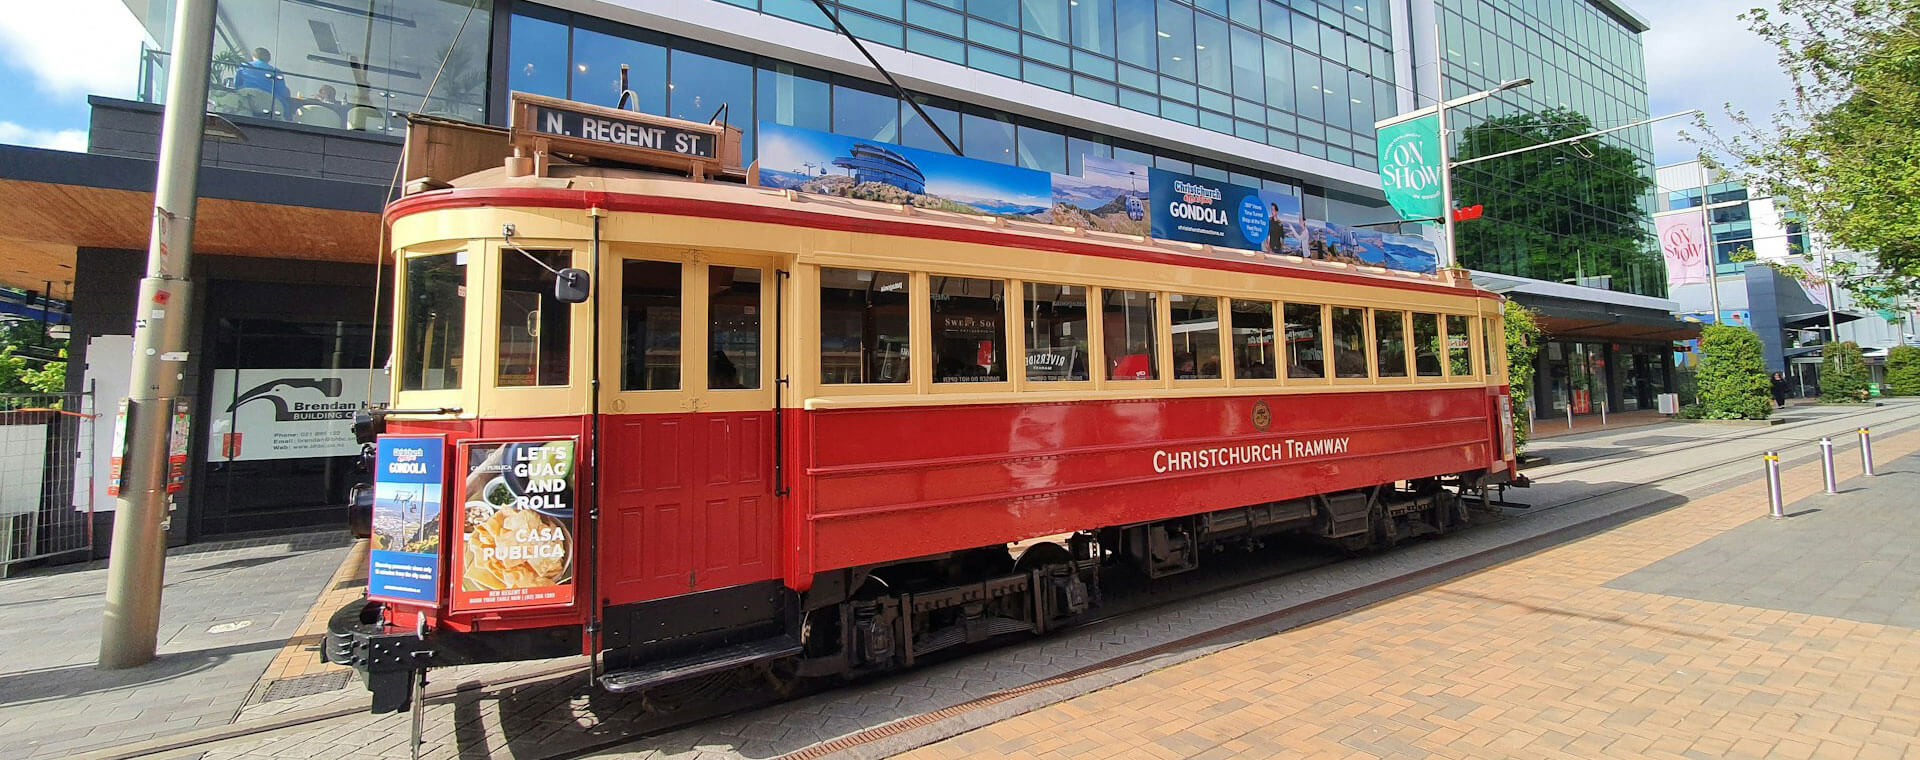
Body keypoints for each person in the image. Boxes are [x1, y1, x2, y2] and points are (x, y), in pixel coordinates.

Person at [232, 47, 293, 117]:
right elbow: (282, 93)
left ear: (253, 57)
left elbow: (236, 85)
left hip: (247, 97)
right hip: (268, 102)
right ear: (268, 59)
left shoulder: (244, 66)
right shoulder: (276, 71)